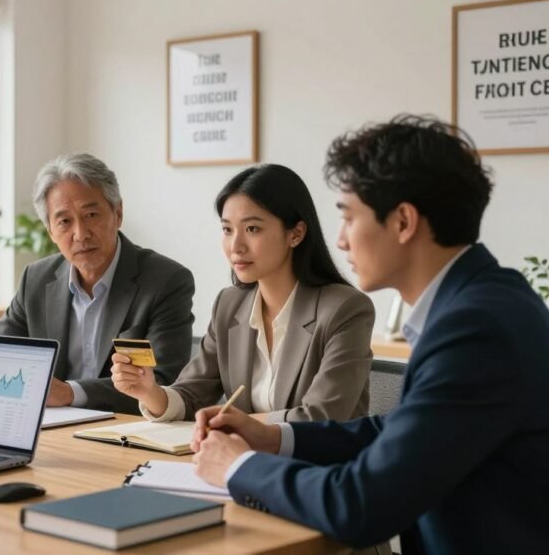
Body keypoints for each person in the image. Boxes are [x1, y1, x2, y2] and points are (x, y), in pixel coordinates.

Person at [191, 116, 549, 554]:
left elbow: (360, 504)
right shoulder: (487, 298)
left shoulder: (475, 328)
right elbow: (405, 431)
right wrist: (272, 438)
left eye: (349, 217)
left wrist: (240, 467)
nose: (342, 240)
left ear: (403, 221)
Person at [111, 164, 374, 423]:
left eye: (252, 229)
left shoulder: (345, 309)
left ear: (296, 233)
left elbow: (322, 417)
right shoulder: (229, 304)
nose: (235, 246)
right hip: (246, 458)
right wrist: (150, 392)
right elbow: (192, 395)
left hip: (320, 462)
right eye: (227, 230)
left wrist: (241, 425)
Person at [0, 153, 195, 414]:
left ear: (117, 213)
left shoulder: (165, 281)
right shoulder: (37, 279)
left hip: (123, 431)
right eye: (64, 221)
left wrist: (70, 393)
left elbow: (164, 384)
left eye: (91, 215)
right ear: (51, 231)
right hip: (53, 430)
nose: (80, 234)